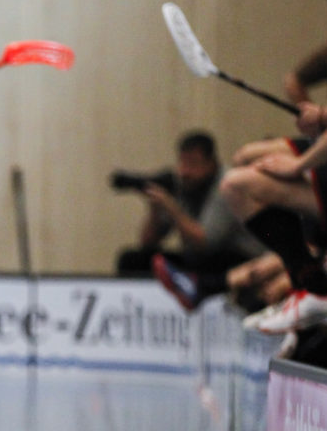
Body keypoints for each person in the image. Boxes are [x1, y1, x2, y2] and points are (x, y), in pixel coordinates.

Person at [220, 0, 327, 334]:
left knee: (241, 184)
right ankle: (311, 289)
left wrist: (298, 164)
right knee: (243, 169)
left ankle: (314, 287)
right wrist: (323, 115)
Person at [113, 131, 264, 310]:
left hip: (239, 258)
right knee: (133, 260)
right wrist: (155, 207)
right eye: (182, 163)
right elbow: (148, 242)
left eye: (193, 164)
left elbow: (205, 243)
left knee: (211, 261)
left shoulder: (227, 185)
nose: (185, 171)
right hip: (201, 259)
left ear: (211, 163)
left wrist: (172, 208)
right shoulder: (182, 185)